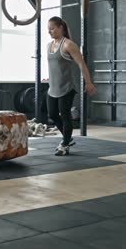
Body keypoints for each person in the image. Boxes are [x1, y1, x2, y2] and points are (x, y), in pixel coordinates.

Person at [47, 16, 97, 156]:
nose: (49, 32)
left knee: (65, 115)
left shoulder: (68, 45)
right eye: (48, 29)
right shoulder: (49, 46)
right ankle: (67, 138)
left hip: (67, 88)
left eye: (52, 28)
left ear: (60, 27)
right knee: (52, 115)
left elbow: (82, 64)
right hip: (52, 88)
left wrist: (88, 82)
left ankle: (64, 144)